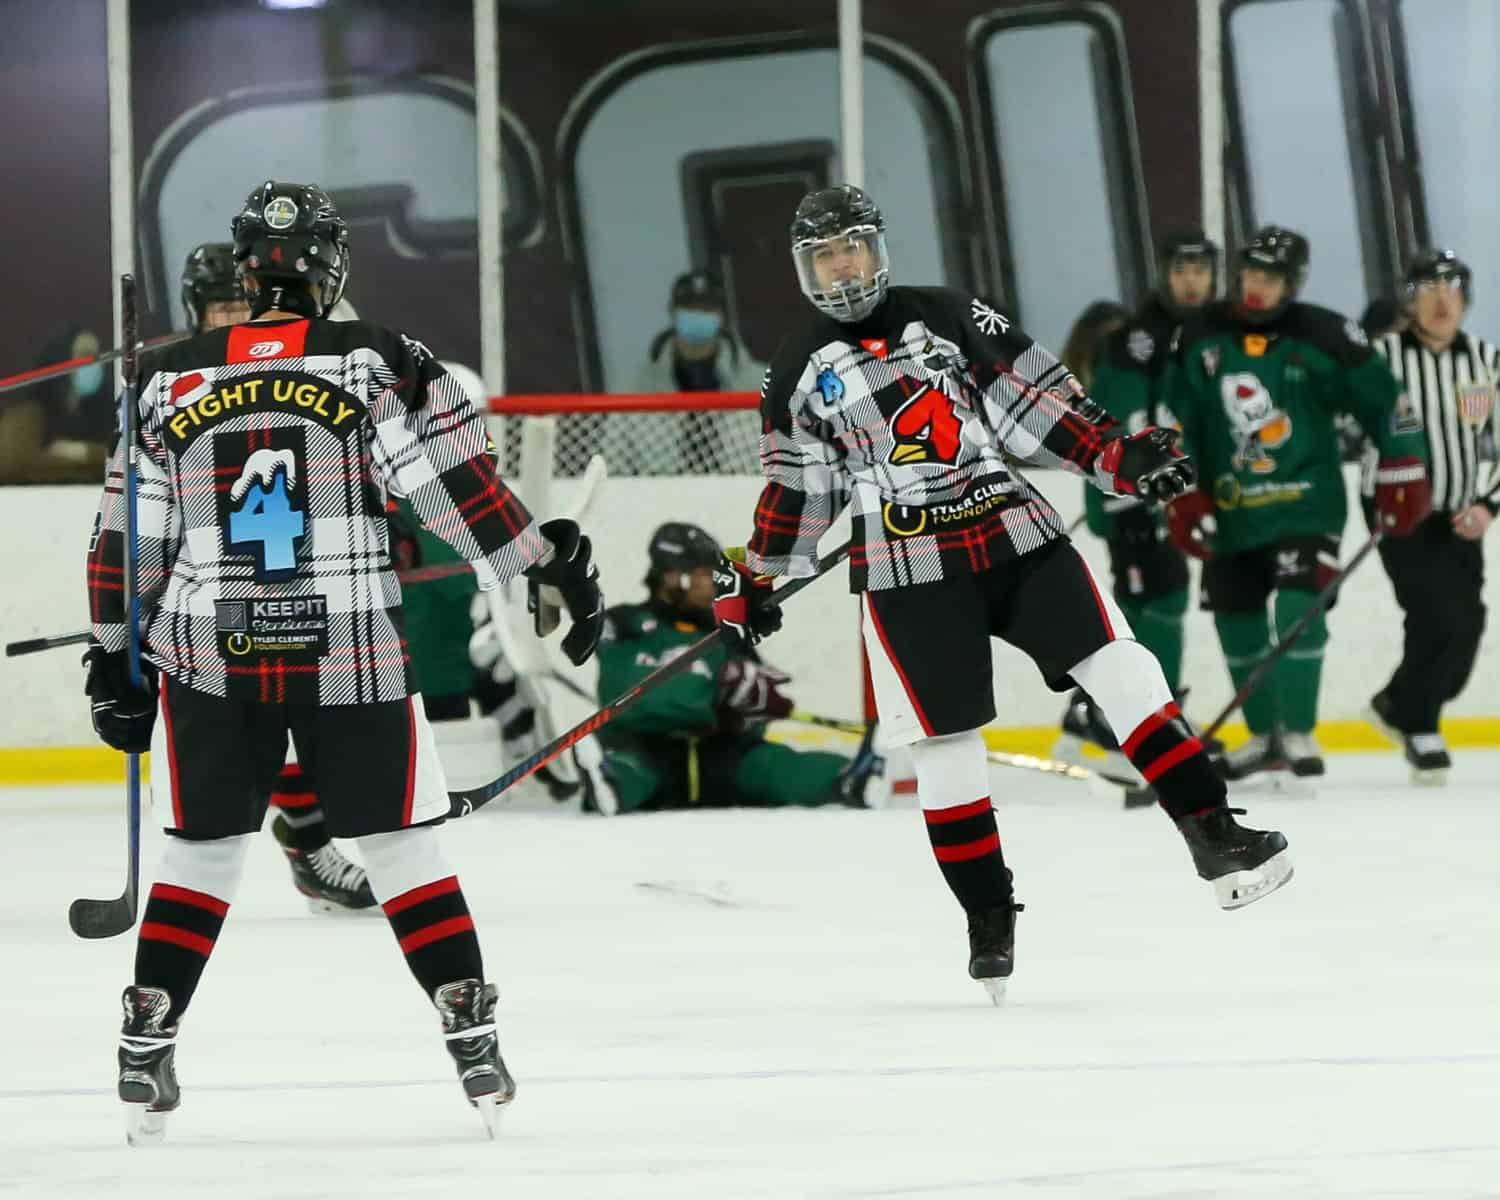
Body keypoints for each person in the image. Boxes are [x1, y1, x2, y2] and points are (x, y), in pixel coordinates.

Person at [84, 180, 604, 1143]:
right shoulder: (377, 360)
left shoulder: (162, 381)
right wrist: (543, 561)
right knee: (404, 846)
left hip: (212, 652)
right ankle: (470, 1030)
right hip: (349, 645)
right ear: (328, 272)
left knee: (200, 854)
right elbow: (450, 489)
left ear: (246, 270)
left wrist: (115, 656)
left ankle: (146, 1039)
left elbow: (128, 545)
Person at [711, 184, 1292, 1003]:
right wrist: (765, 571)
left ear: (879, 248)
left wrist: (1117, 457)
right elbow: (801, 489)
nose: (844, 268)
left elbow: (1038, 404)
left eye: (854, 248)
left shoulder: (949, 313)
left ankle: (1212, 834)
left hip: (1012, 531)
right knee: (946, 749)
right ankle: (989, 920)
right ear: (805, 268)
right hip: (907, 567)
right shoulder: (798, 367)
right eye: (825, 254)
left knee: (1124, 671)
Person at [1165, 226, 1431, 781]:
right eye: (1251, 274)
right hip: (1228, 509)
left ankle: (1300, 733)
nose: (1257, 287)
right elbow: (1176, 418)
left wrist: (1402, 465)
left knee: (1295, 613)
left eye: (1272, 278)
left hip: (1307, 508)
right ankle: (1265, 738)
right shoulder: (1198, 334)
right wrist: (1182, 491)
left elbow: (1388, 402)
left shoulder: (1326, 334)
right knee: (1236, 625)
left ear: (1293, 283)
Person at [181, 240, 379, 910]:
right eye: (219, 307)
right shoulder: (173, 382)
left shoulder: (303, 369)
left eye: (241, 301)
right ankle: (309, 840)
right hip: (211, 591)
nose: (233, 316)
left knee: (301, 703)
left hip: (294, 577)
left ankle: (309, 838)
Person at [571, 521, 885, 816]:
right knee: (629, 769)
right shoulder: (622, 623)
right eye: (705, 573)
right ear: (673, 576)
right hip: (649, 751)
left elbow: (751, 702)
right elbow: (627, 694)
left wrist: (755, 705)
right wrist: (714, 694)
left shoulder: (727, 631)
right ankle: (607, 783)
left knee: (774, 765)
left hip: (721, 756)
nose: (716, 583)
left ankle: (851, 780)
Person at [1058, 235, 1221, 786]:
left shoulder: (1192, 335)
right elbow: (1108, 421)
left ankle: (1109, 719)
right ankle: (1142, 722)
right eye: (1183, 268)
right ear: (1165, 272)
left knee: (1139, 608)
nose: (1193, 280)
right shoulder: (1134, 343)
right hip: (1131, 497)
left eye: (1202, 269)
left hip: (1152, 492)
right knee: (1160, 598)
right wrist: (1112, 498)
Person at [1361, 250, 1499, 781]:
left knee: (1467, 623)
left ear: (1465, 299)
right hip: (1398, 509)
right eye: (1428, 289)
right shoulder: (1381, 358)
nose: (1441, 301)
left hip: (1462, 514)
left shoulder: (1486, 361)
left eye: (1452, 289)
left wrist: (1488, 505)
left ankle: (1399, 704)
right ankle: (1420, 723)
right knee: (1435, 615)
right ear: (1409, 300)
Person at [607, 272, 765, 474]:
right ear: (673, 312)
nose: (698, 314)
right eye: (690, 308)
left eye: (706, 309)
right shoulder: (635, 387)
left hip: (740, 498)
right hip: (661, 500)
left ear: (721, 316)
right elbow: (610, 465)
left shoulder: (760, 382)